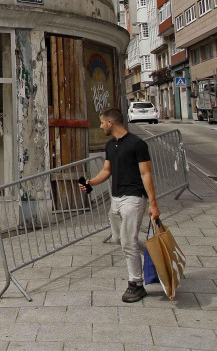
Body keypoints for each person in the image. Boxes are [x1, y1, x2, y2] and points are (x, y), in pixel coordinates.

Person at [79, 108, 159, 303]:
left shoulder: (137, 144)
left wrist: (153, 204)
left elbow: (146, 174)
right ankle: (153, 257)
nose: (100, 126)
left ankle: (136, 284)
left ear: (111, 123)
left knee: (128, 242)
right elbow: (106, 170)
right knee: (118, 238)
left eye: (101, 122)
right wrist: (90, 183)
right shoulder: (110, 145)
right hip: (116, 199)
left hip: (133, 198)